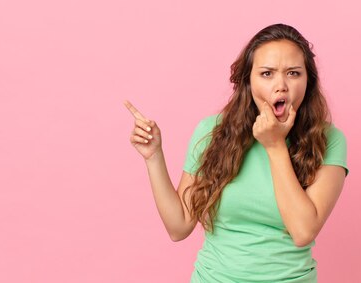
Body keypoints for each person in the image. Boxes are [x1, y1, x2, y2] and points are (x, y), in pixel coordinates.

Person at [124, 23, 348, 283]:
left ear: (308, 82)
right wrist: (154, 157)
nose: (281, 85)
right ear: (248, 81)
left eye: (293, 73)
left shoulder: (329, 140)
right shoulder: (212, 132)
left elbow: (303, 231)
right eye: (267, 73)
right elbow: (179, 226)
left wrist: (275, 146)